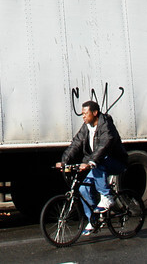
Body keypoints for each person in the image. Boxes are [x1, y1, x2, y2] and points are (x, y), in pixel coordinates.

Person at [57, 100, 129, 235]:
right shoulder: (86, 127)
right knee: (83, 189)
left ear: (95, 113)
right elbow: (75, 144)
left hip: (116, 162)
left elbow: (105, 144)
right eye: (82, 114)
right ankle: (93, 220)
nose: (83, 116)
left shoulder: (106, 124)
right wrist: (63, 161)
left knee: (98, 163)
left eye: (85, 113)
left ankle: (107, 196)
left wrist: (90, 161)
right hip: (97, 163)